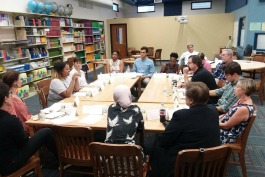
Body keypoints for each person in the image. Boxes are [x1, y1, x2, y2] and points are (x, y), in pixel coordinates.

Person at [149, 82, 220, 177]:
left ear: (191, 100)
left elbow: (164, 141)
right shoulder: (214, 111)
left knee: (156, 141)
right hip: (210, 162)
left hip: (185, 163)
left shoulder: (181, 115)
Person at [0, 83, 57, 176]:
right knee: (46, 131)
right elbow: (24, 143)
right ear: (6, 99)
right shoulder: (11, 121)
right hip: (10, 164)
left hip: (4, 159)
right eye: (10, 94)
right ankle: (59, 159)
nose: (12, 96)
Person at [220, 78, 256, 144]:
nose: (234, 88)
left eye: (237, 86)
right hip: (224, 127)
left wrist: (213, 123)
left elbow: (226, 126)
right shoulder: (241, 100)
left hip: (226, 135)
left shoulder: (244, 109)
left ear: (244, 90)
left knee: (200, 131)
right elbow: (228, 114)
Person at [2, 70, 31, 135]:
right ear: (15, 83)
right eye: (20, 79)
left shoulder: (12, 96)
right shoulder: (13, 99)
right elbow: (21, 119)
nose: (21, 81)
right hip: (26, 130)